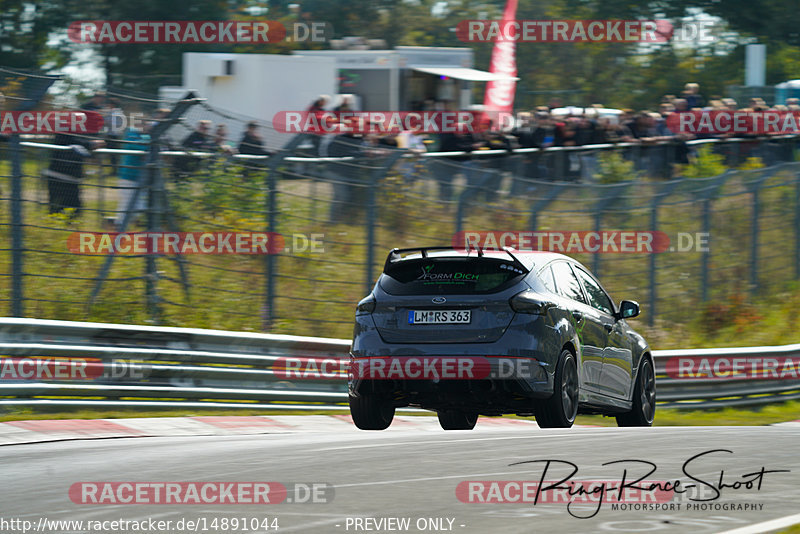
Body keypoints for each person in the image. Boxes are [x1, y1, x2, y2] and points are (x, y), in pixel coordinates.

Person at [45, 130, 103, 215]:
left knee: (72, 211)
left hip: (71, 178)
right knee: (59, 210)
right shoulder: (66, 128)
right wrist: (90, 144)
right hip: (59, 176)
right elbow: (69, 139)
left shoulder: (79, 130)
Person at [115, 121, 151, 228]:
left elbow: (149, 146)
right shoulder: (130, 133)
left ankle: (124, 224)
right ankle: (119, 225)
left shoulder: (145, 136)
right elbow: (138, 147)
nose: (147, 127)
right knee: (127, 203)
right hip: (128, 176)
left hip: (140, 176)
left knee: (140, 204)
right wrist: (149, 146)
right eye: (145, 124)